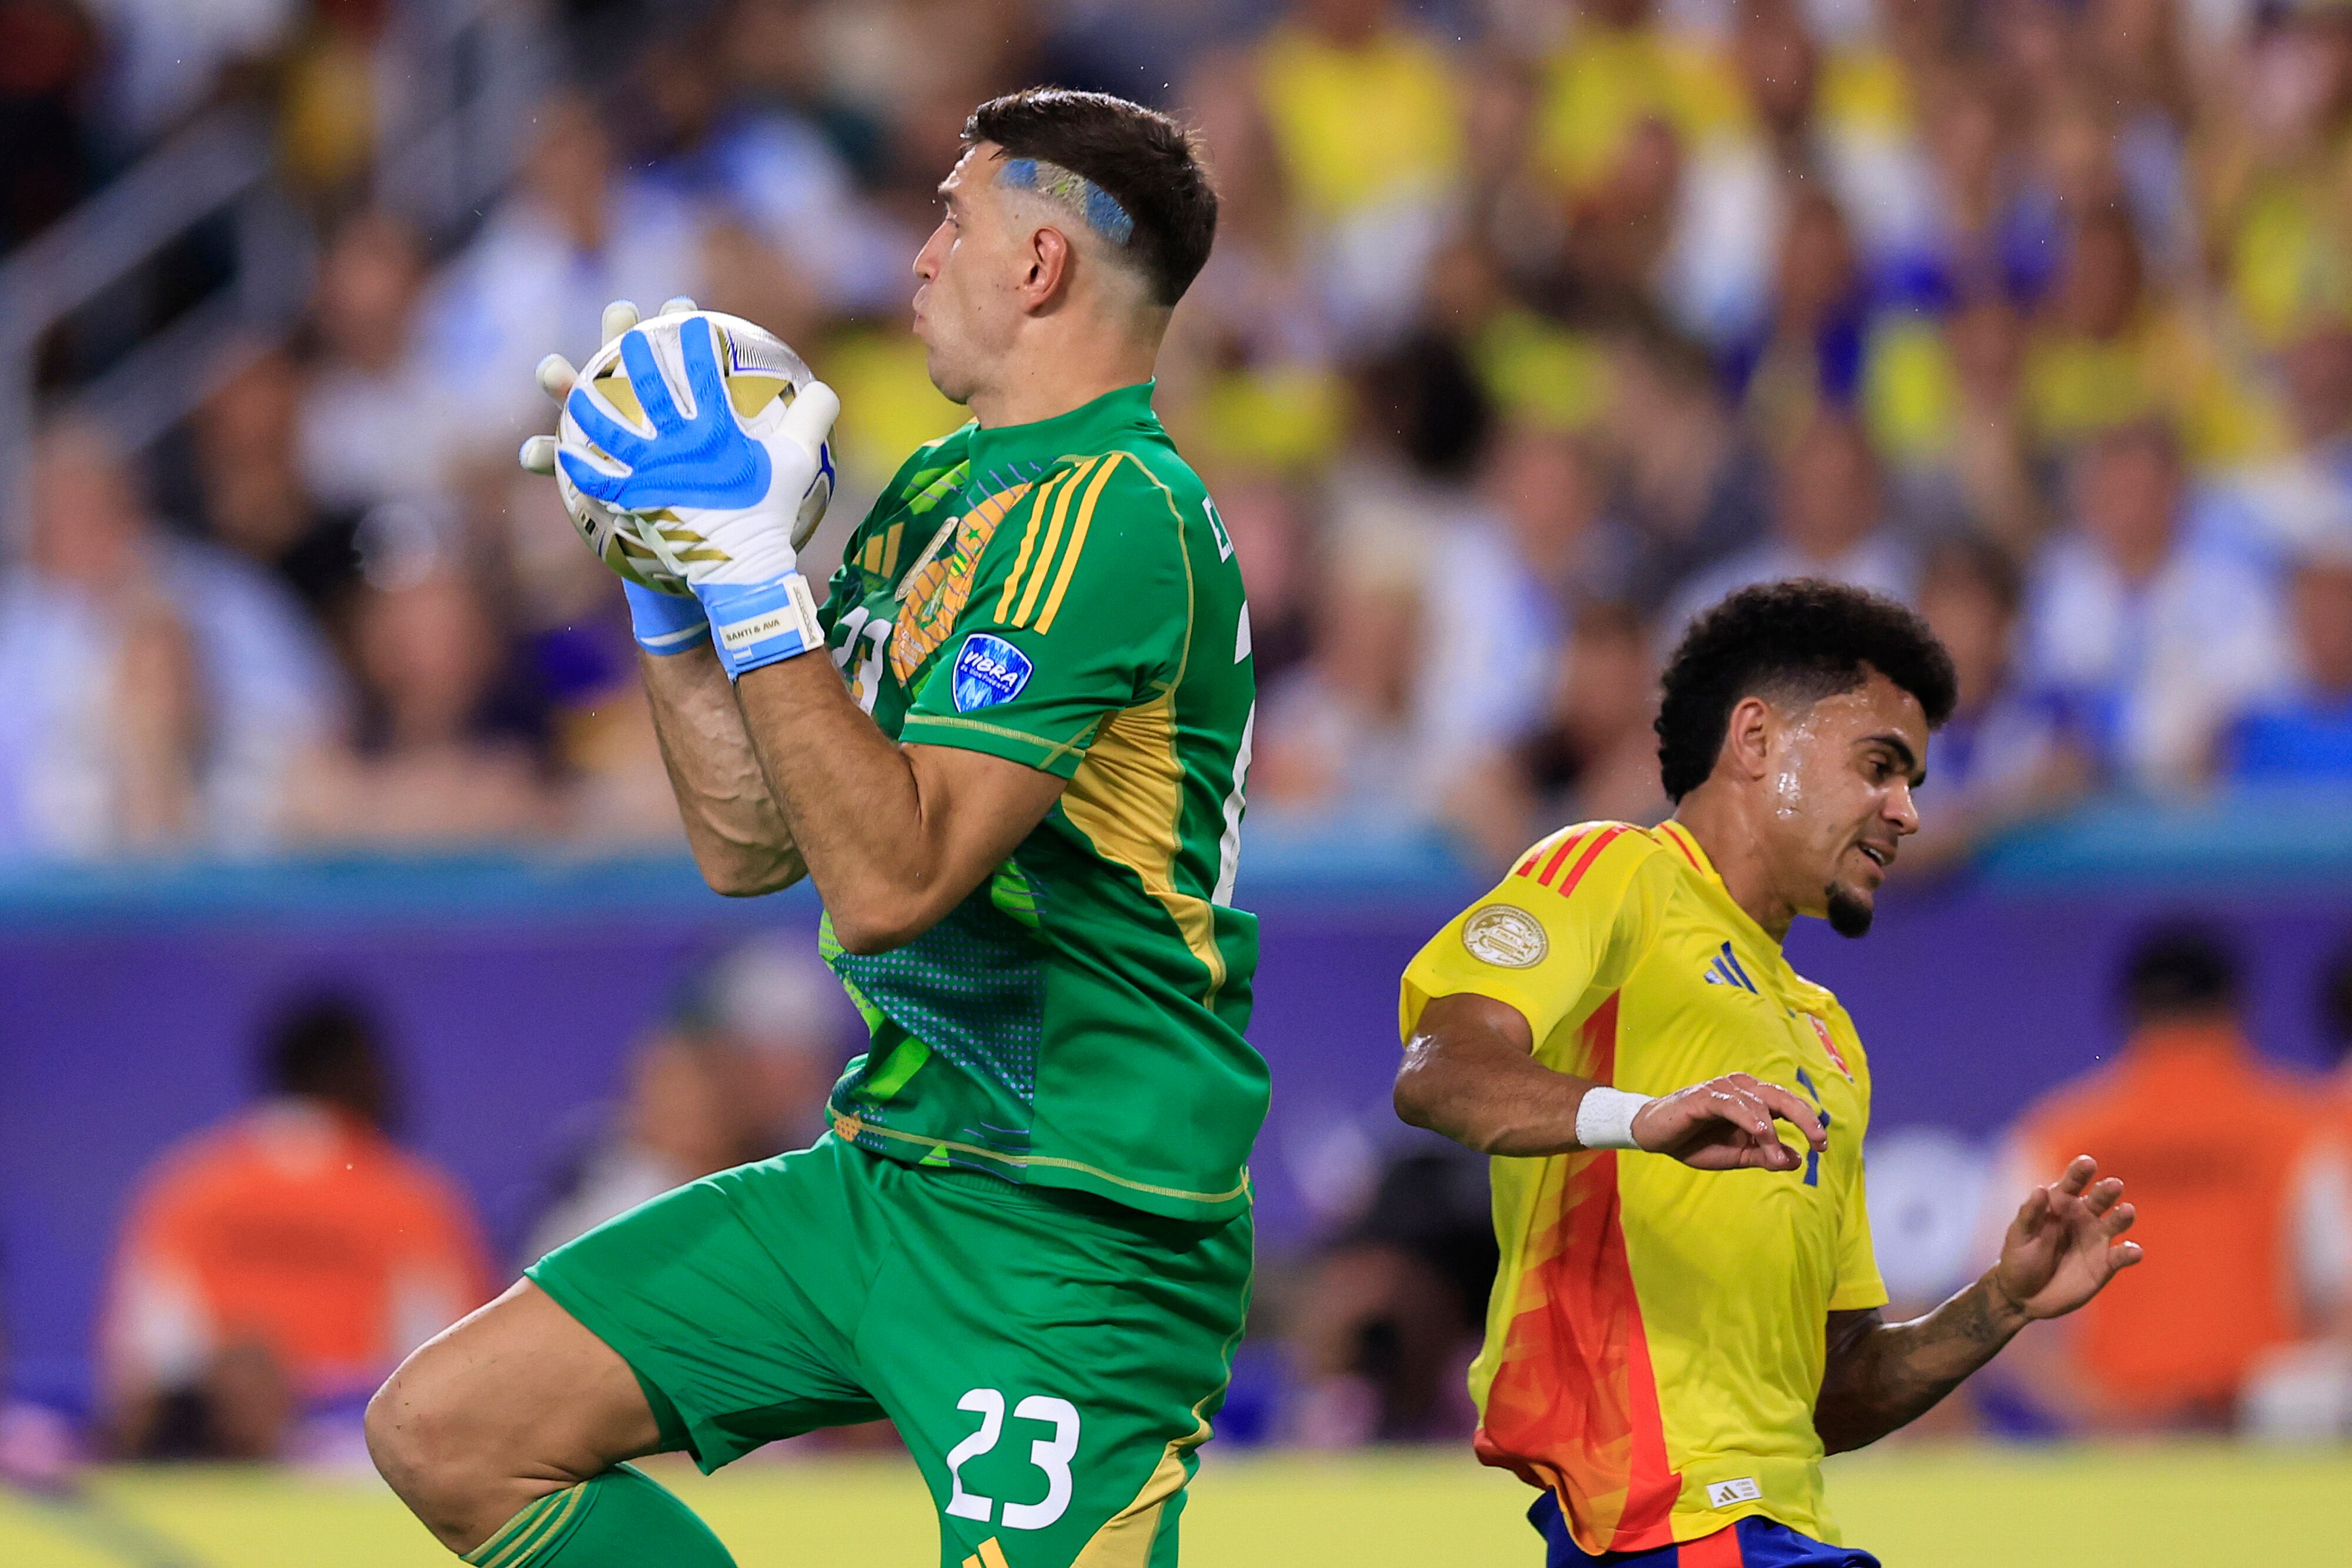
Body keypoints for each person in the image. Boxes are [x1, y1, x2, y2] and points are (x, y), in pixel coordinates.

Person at [368, 89, 1259, 1568]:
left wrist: (756, 585)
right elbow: (752, 841)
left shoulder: (1117, 513)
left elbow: (894, 878)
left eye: (949, 218)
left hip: (1079, 1224)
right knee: (451, 1430)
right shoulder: (938, 495)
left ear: (1040, 267)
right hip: (890, 1169)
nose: (915, 259)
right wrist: (675, 594)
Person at [1390, 580, 2141, 1566]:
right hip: (1670, 1520)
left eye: (1914, 779)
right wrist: (1641, 1116)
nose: (1907, 811)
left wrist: (1997, 1302)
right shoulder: (1616, 873)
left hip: (1764, 1529)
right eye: (1880, 766)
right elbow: (1440, 1067)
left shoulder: (1827, 1036)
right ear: (1755, 741)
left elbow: (1832, 1391)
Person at [1987, 928, 2351, 1432]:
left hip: (2120, 1443)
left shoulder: (2054, 1134)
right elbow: (2342, 1297)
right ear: (2237, 1007)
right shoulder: (2302, 1130)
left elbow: (1999, 1307)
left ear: (2128, 1011)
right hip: (2260, 1440)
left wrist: (2102, 1411)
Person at [101, 995, 493, 1460]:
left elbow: (140, 1370)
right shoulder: (413, 1200)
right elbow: (468, 1377)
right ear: (352, 1070)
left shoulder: (186, 1189)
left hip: (214, 1474)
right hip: (367, 1479)